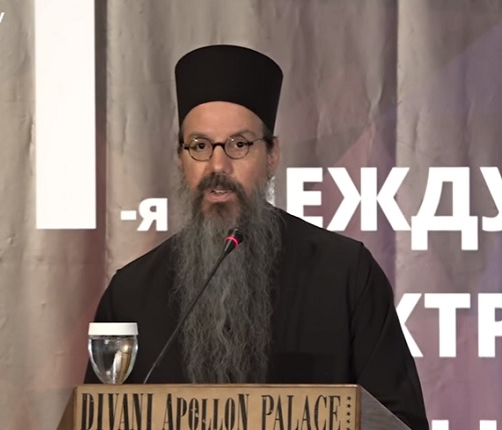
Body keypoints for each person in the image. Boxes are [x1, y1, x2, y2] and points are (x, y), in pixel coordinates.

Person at [85, 44, 429, 430]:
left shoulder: (346, 276)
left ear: (272, 155)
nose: (218, 165)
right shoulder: (131, 294)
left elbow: (401, 422)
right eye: (200, 146)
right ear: (180, 159)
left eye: (239, 144)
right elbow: (96, 418)